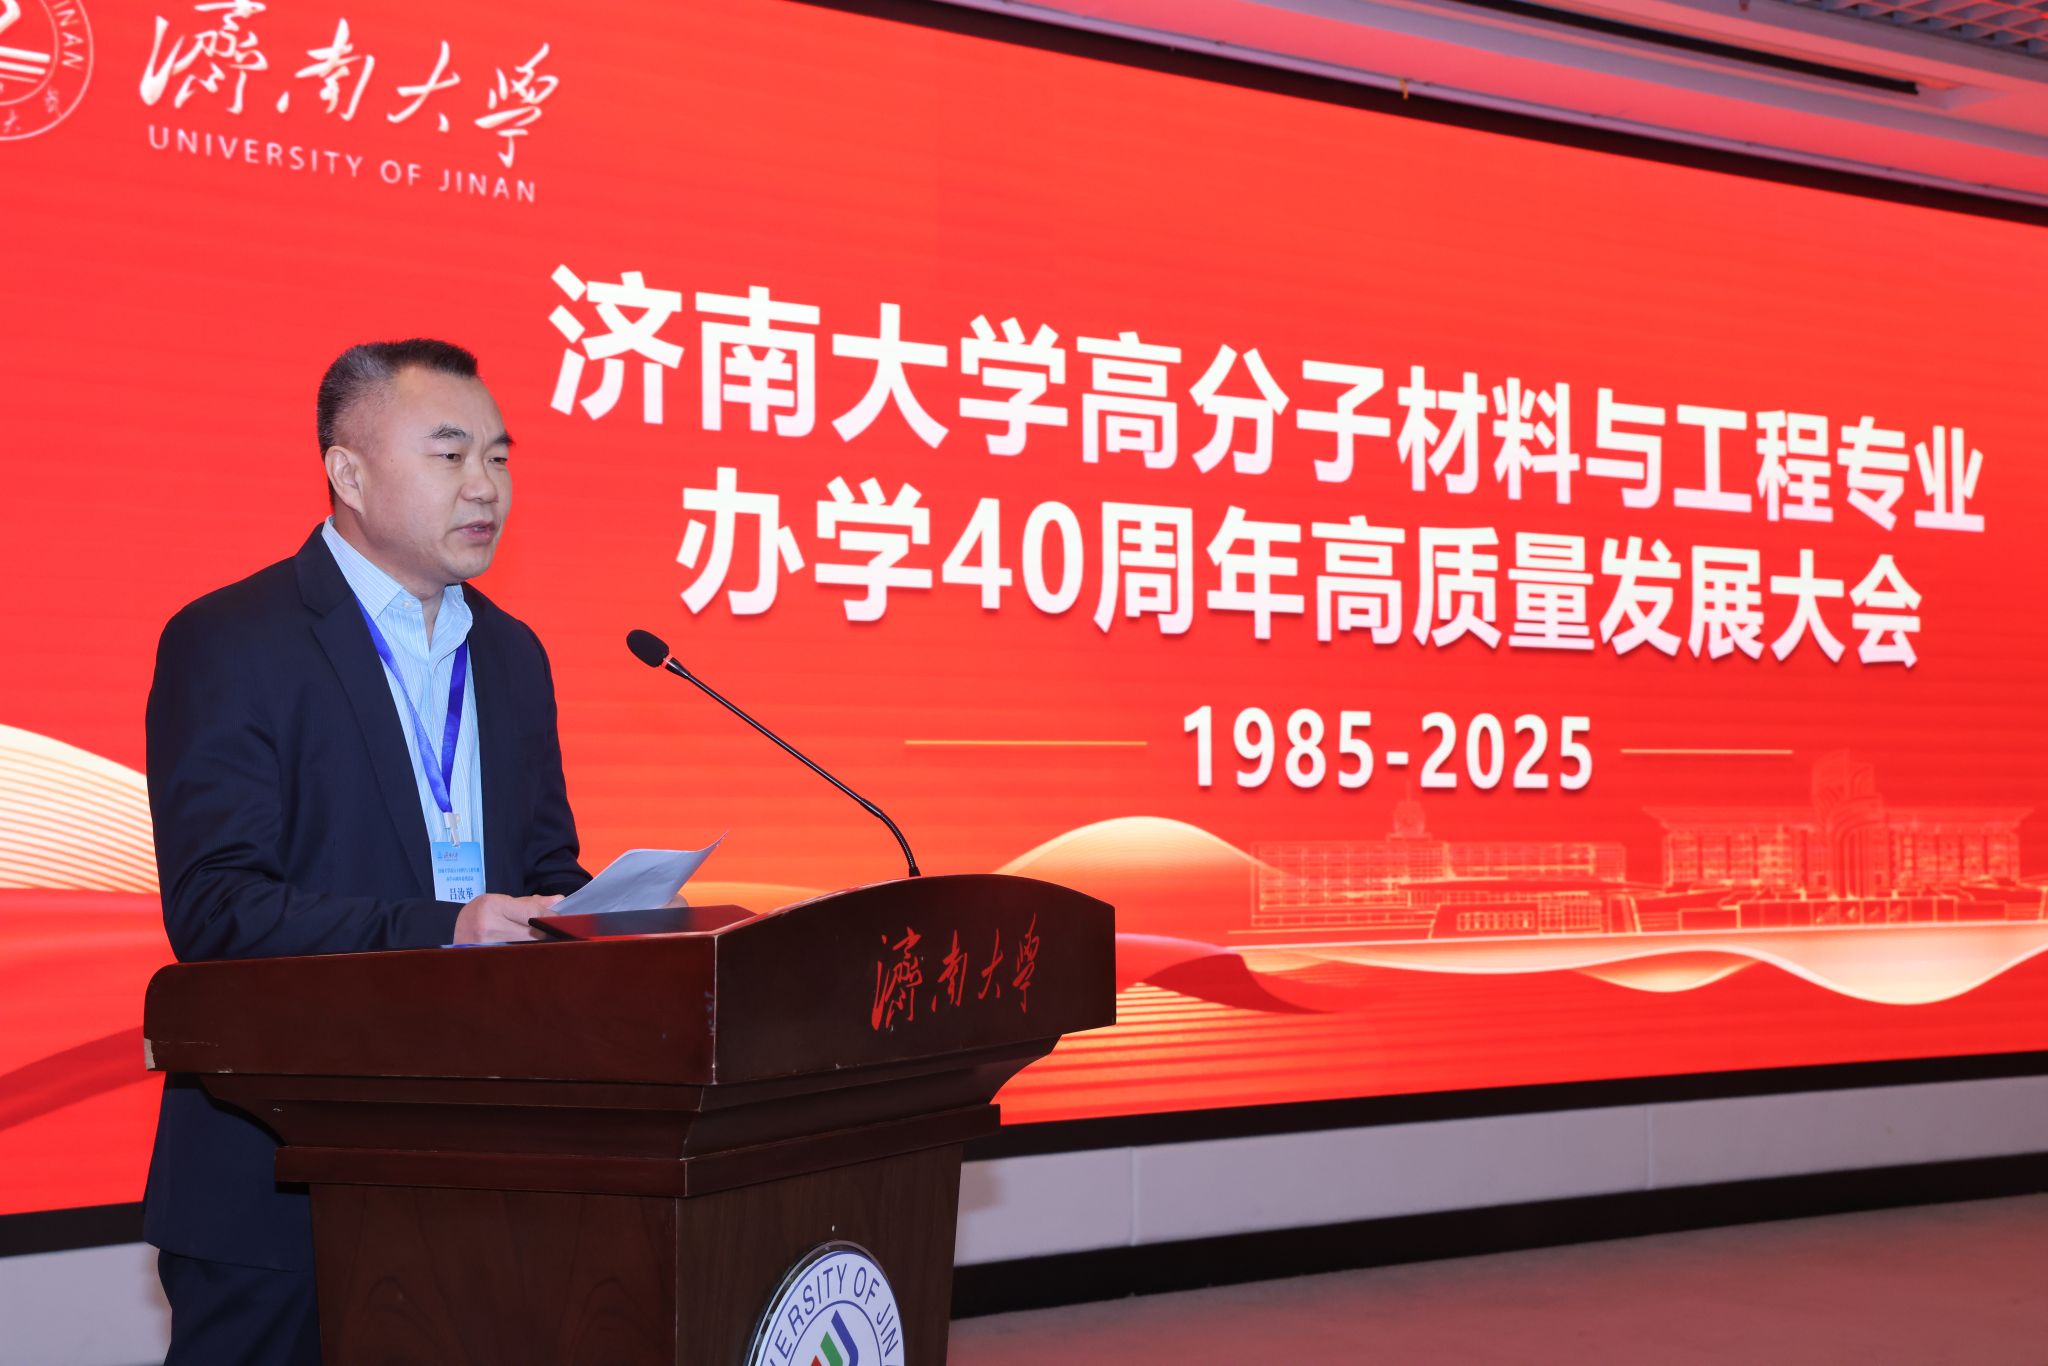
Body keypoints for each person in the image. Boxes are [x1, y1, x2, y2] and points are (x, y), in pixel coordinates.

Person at [142, 338, 591, 1365]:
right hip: (281, 1171)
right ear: (347, 473)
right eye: (449, 454)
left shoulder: (512, 653)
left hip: (483, 1168)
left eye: (499, 457)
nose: (485, 486)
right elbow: (218, 908)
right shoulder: (234, 639)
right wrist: (448, 929)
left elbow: (546, 868)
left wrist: (601, 913)